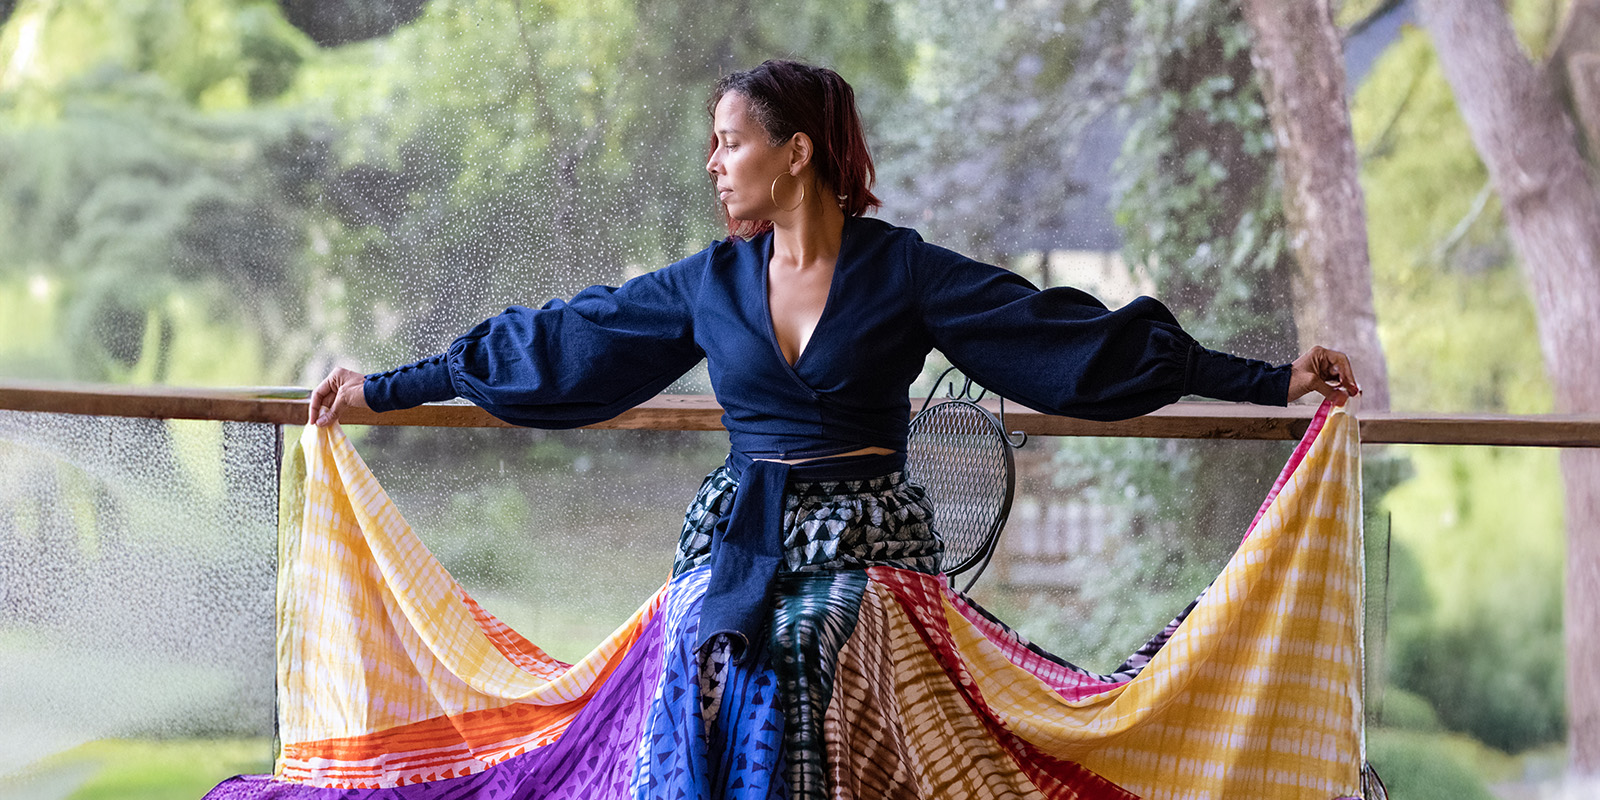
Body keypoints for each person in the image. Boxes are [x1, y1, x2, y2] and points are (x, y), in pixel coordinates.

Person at [304, 60, 1359, 800]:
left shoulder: (904, 269)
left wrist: (1268, 379)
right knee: (698, 653)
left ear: (794, 151)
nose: (713, 164)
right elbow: (562, 344)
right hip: (740, 530)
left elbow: (1065, 340)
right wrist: (387, 389)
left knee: (817, 644)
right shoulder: (706, 281)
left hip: (868, 538)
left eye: (729, 142)